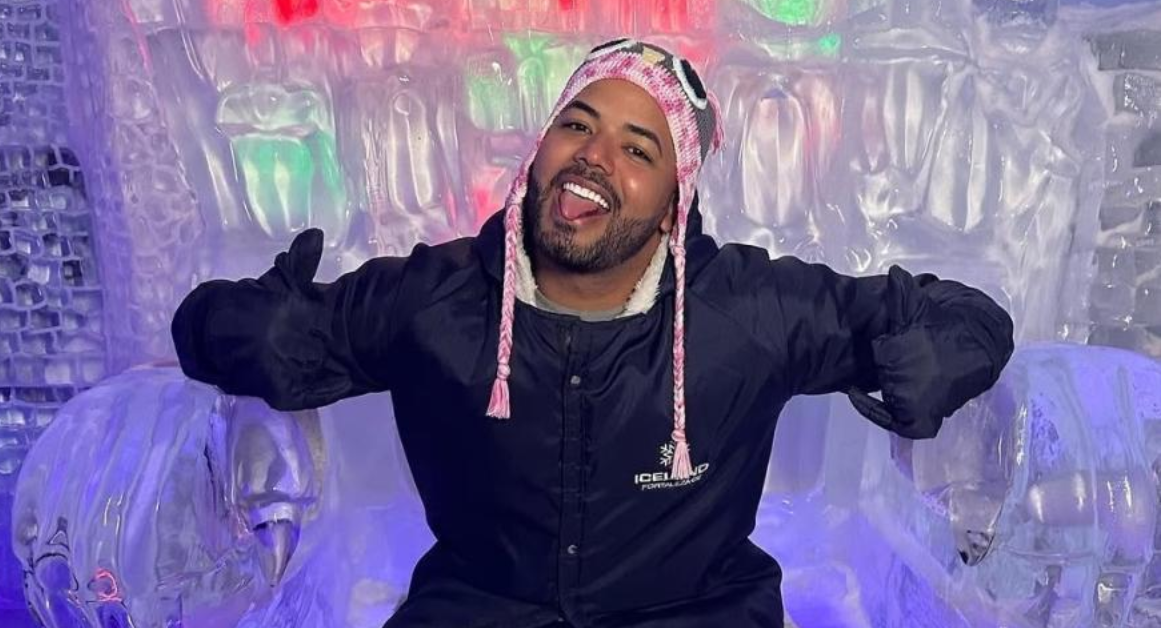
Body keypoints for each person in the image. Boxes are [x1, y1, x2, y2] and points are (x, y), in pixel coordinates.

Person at [172, 38, 1014, 628]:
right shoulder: (432, 298)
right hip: (476, 611)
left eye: (638, 150)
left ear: (675, 202)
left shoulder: (749, 309)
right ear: (539, 150)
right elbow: (198, 326)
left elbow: (967, 316)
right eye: (577, 126)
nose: (594, 156)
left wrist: (944, 356)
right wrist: (249, 330)